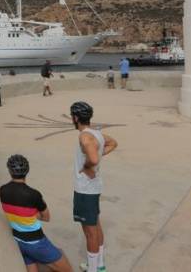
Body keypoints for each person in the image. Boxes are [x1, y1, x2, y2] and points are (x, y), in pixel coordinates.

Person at [0, 154, 73, 272]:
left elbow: (13, 210)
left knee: (31, 265)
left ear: (9, 171)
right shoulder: (34, 194)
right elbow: (46, 217)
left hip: (18, 240)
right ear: (27, 171)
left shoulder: (2, 190)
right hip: (36, 242)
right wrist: (31, 214)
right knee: (67, 269)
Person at [70, 101, 117, 272]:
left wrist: (88, 166)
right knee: (96, 225)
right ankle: (99, 265)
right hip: (95, 188)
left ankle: (93, 269)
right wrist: (98, 153)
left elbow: (94, 159)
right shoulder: (97, 134)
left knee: (89, 232)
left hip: (85, 190)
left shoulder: (84, 136)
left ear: (75, 118)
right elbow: (113, 143)